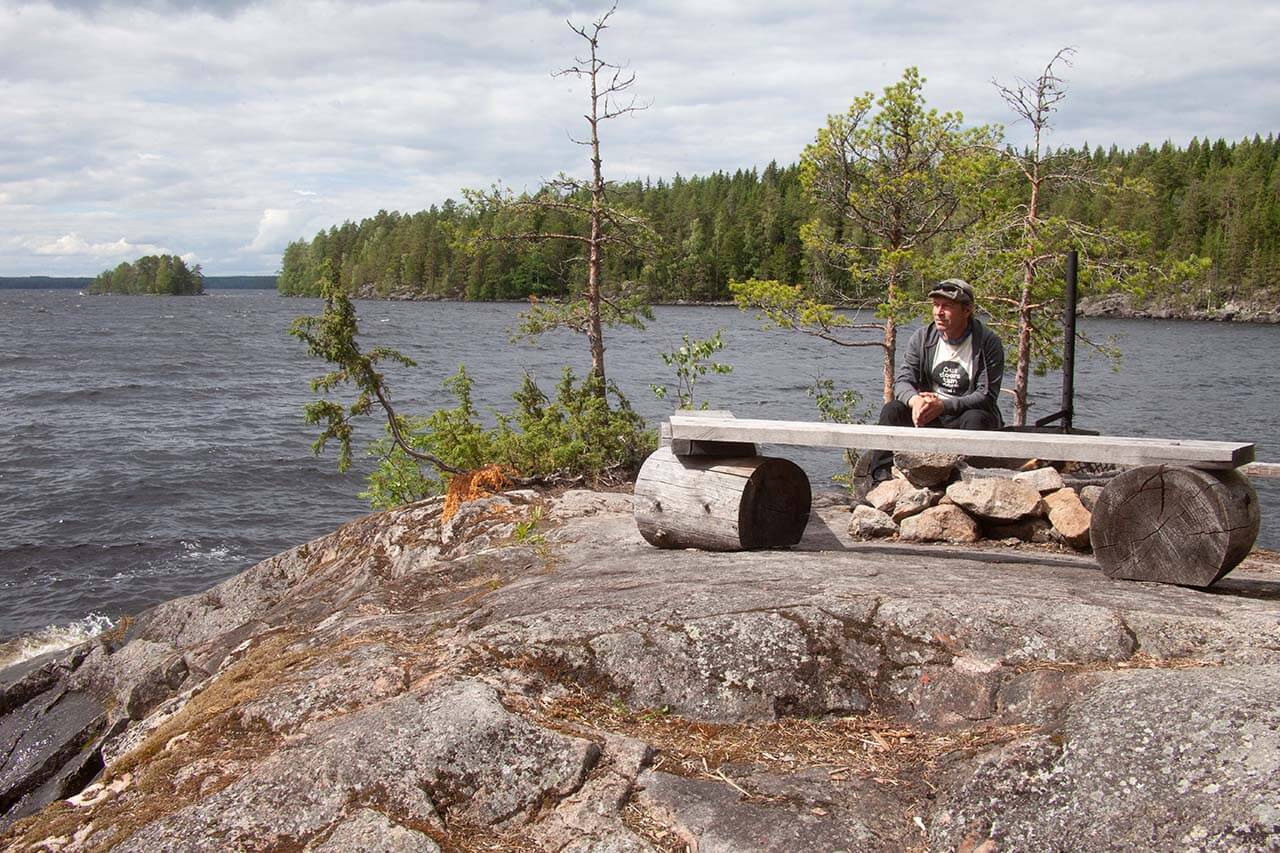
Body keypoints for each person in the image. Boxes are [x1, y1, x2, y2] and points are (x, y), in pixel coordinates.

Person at [863, 278, 1004, 485]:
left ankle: (965, 484)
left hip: (964, 417)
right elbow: (902, 380)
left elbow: (986, 395)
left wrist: (943, 405)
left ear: (967, 310)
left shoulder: (987, 343)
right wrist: (915, 401)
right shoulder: (922, 338)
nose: (939, 312)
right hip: (930, 416)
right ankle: (880, 481)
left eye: (947, 306)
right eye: (936, 305)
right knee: (891, 410)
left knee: (977, 418)